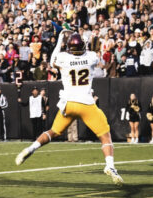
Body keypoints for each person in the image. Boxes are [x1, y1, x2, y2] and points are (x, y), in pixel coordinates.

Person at [15, 31, 123, 186]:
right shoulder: (91, 57)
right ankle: (110, 166)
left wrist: (60, 40)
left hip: (69, 104)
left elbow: (52, 60)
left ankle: (31, 148)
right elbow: (96, 54)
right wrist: (86, 40)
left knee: (53, 132)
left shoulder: (64, 58)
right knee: (105, 136)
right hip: (86, 104)